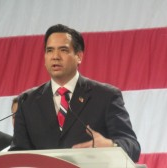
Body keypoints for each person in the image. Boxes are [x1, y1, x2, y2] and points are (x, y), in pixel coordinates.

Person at [10, 24, 140, 161]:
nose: (55, 56)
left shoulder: (106, 96)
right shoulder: (27, 101)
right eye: (50, 50)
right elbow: (18, 154)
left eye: (63, 50)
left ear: (79, 56)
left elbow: (133, 147)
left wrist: (111, 146)